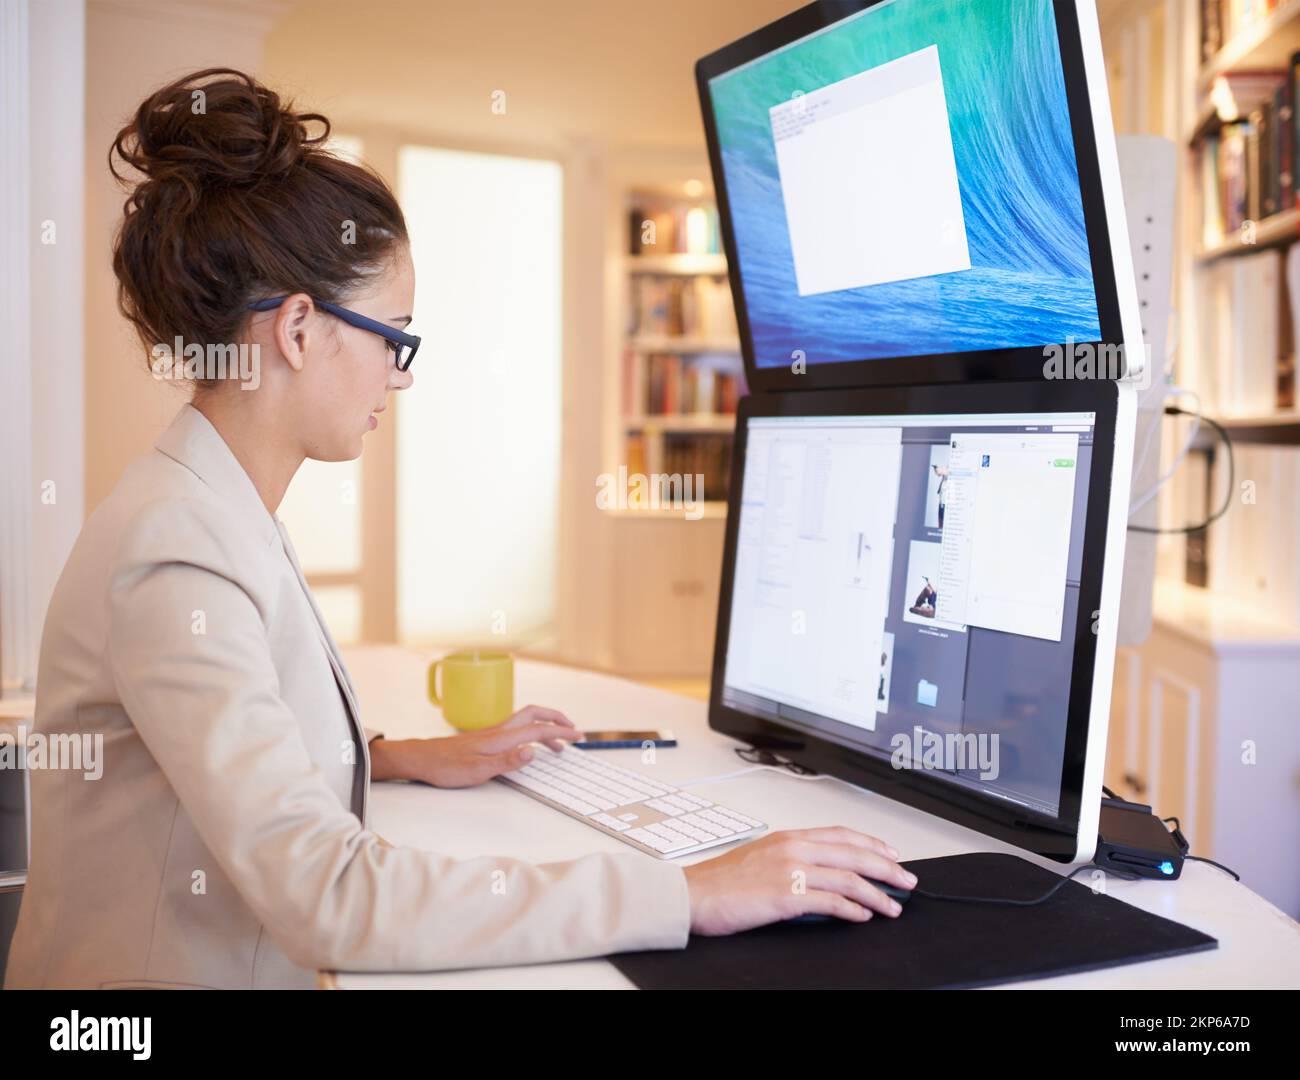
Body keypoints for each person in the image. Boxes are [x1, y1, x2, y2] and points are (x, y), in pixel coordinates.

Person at [4, 69, 914, 990]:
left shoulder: (205, 505)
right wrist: (684, 892)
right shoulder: (178, 550)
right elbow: (328, 893)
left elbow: (218, 737)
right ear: (300, 331)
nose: (400, 376)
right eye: (394, 335)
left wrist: (393, 758)